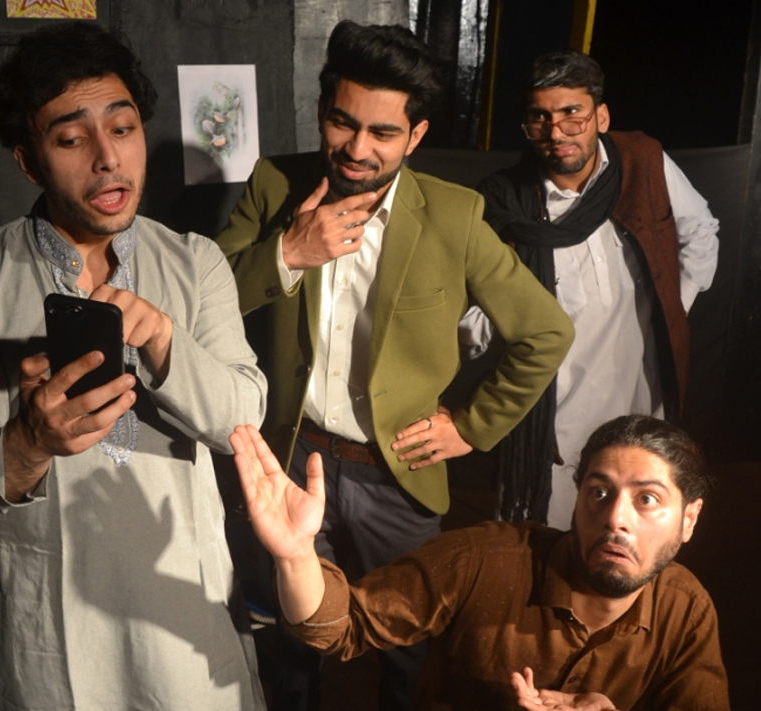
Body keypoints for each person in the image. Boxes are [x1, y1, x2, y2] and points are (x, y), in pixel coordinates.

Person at [216, 20, 573, 707]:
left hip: (397, 475)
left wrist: (470, 426)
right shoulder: (274, 183)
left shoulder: (455, 215)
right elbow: (204, 297)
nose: (357, 148)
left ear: (416, 135)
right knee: (291, 637)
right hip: (290, 456)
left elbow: (546, 332)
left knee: (408, 651)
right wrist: (286, 253)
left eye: (383, 132)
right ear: (323, 111)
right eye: (342, 123)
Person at [0, 23, 268, 710]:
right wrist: (30, 442)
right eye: (72, 140)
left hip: (184, 609)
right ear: (28, 161)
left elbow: (243, 420)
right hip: (54, 627)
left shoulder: (195, 262)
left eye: (123, 128)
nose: (108, 158)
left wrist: (163, 339)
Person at [230, 414, 730, 711]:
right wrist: (296, 554)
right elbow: (343, 625)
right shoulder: (484, 559)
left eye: (647, 500)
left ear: (689, 519)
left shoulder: (685, 608)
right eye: (599, 492)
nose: (616, 518)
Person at [469, 50, 719, 529]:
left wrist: (672, 307)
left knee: (633, 538)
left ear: (600, 117)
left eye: (572, 114)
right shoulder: (504, 202)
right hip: (553, 421)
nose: (556, 132)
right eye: (540, 117)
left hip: (641, 401)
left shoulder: (643, 162)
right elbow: (474, 316)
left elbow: (700, 231)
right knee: (548, 540)